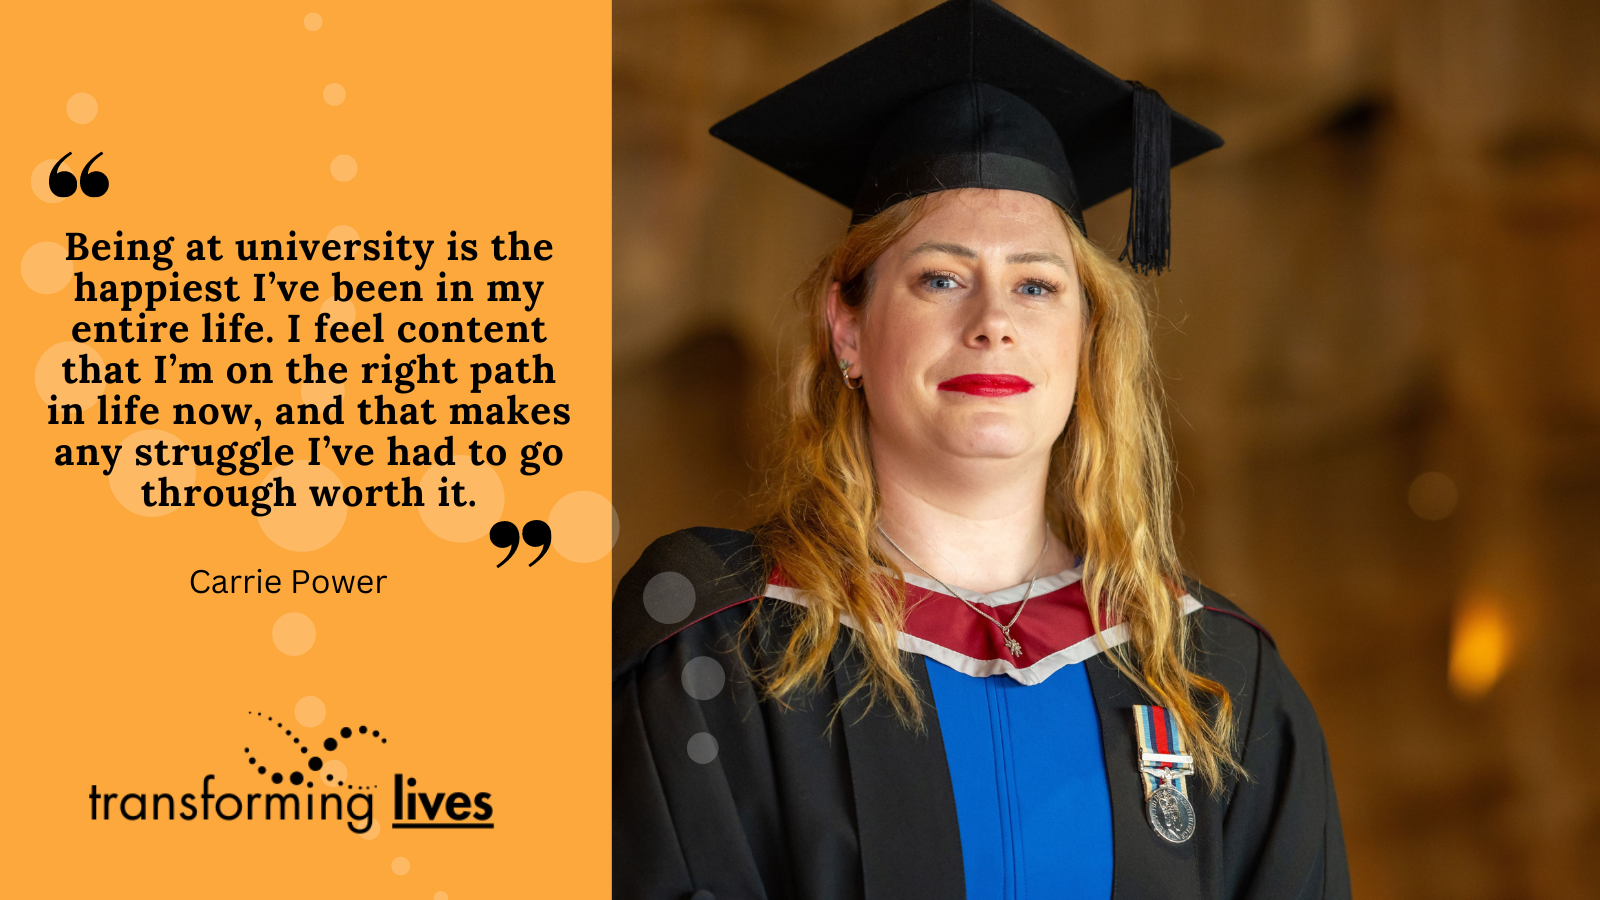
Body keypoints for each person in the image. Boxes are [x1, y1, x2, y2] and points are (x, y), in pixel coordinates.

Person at [613, 2, 1350, 898]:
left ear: (1088, 339)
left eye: (1037, 286)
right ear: (847, 328)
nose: (993, 323)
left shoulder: (1217, 676)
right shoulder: (719, 644)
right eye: (942, 278)